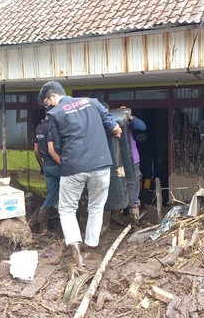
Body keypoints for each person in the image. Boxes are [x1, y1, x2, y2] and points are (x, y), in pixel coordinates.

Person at [38, 81, 121, 270]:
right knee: (96, 207)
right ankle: (91, 248)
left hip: (73, 167)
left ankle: (75, 249)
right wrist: (116, 130)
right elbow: (112, 125)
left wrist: (67, 160)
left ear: (52, 96)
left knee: (67, 209)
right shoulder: (92, 102)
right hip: (101, 164)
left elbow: (56, 146)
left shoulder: (55, 114)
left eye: (47, 103)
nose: (48, 107)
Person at [32, 112, 61, 233]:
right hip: (56, 165)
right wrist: (63, 164)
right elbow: (51, 150)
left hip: (46, 166)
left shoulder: (38, 128)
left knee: (51, 196)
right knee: (76, 188)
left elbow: (36, 151)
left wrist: (41, 166)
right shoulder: (52, 126)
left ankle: (42, 225)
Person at [119, 106, 146, 225]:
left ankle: (135, 222)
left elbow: (142, 127)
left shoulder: (128, 122)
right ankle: (115, 217)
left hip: (132, 161)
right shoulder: (107, 121)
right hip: (116, 163)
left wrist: (130, 117)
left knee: (133, 190)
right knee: (116, 189)